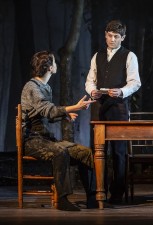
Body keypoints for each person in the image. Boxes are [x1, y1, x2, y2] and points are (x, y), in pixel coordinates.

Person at [21, 50, 97, 211]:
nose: (56, 65)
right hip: (31, 140)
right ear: (49, 67)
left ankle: (92, 198)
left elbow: (47, 114)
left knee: (85, 153)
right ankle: (63, 199)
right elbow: (47, 110)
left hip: (45, 138)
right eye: (54, 62)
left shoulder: (45, 87)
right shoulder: (32, 87)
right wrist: (74, 107)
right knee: (60, 152)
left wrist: (65, 115)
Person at [85, 19, 141, 203]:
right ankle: (96, 192)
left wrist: (122, 91)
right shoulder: (97, 55)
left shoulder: (129, 56)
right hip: (99, 107)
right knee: (97, 150)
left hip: (118, 108)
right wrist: (91, 90)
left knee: (118, 152)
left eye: (116, 36)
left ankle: (117, 194)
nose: (112, 39)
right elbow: (90, 80)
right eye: (109, 36)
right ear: (105, 35)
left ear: (123, 38)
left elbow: (135, 82)